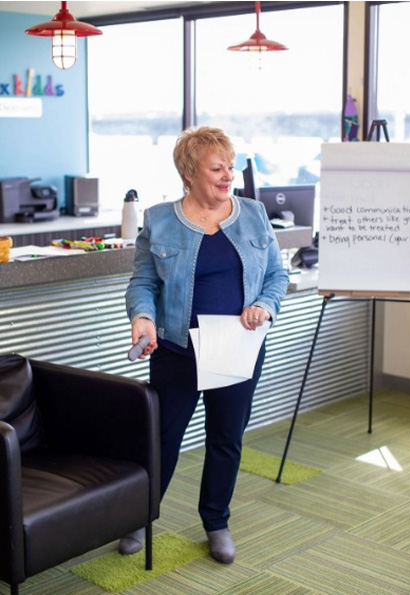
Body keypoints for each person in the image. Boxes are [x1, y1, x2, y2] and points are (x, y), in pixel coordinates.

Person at [122, 126, 289, 563]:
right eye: (217, 168)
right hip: (177, 351)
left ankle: (216, 520)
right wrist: (143, 316)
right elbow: (142, 281)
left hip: (237, 348)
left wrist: (265, 306)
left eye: (230, 167)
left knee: (226, 438)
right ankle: (139, 517)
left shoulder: (253, 214)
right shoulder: (160, 220)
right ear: (189, 172)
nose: (227, 175)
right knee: (162, 439)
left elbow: (277, 275)